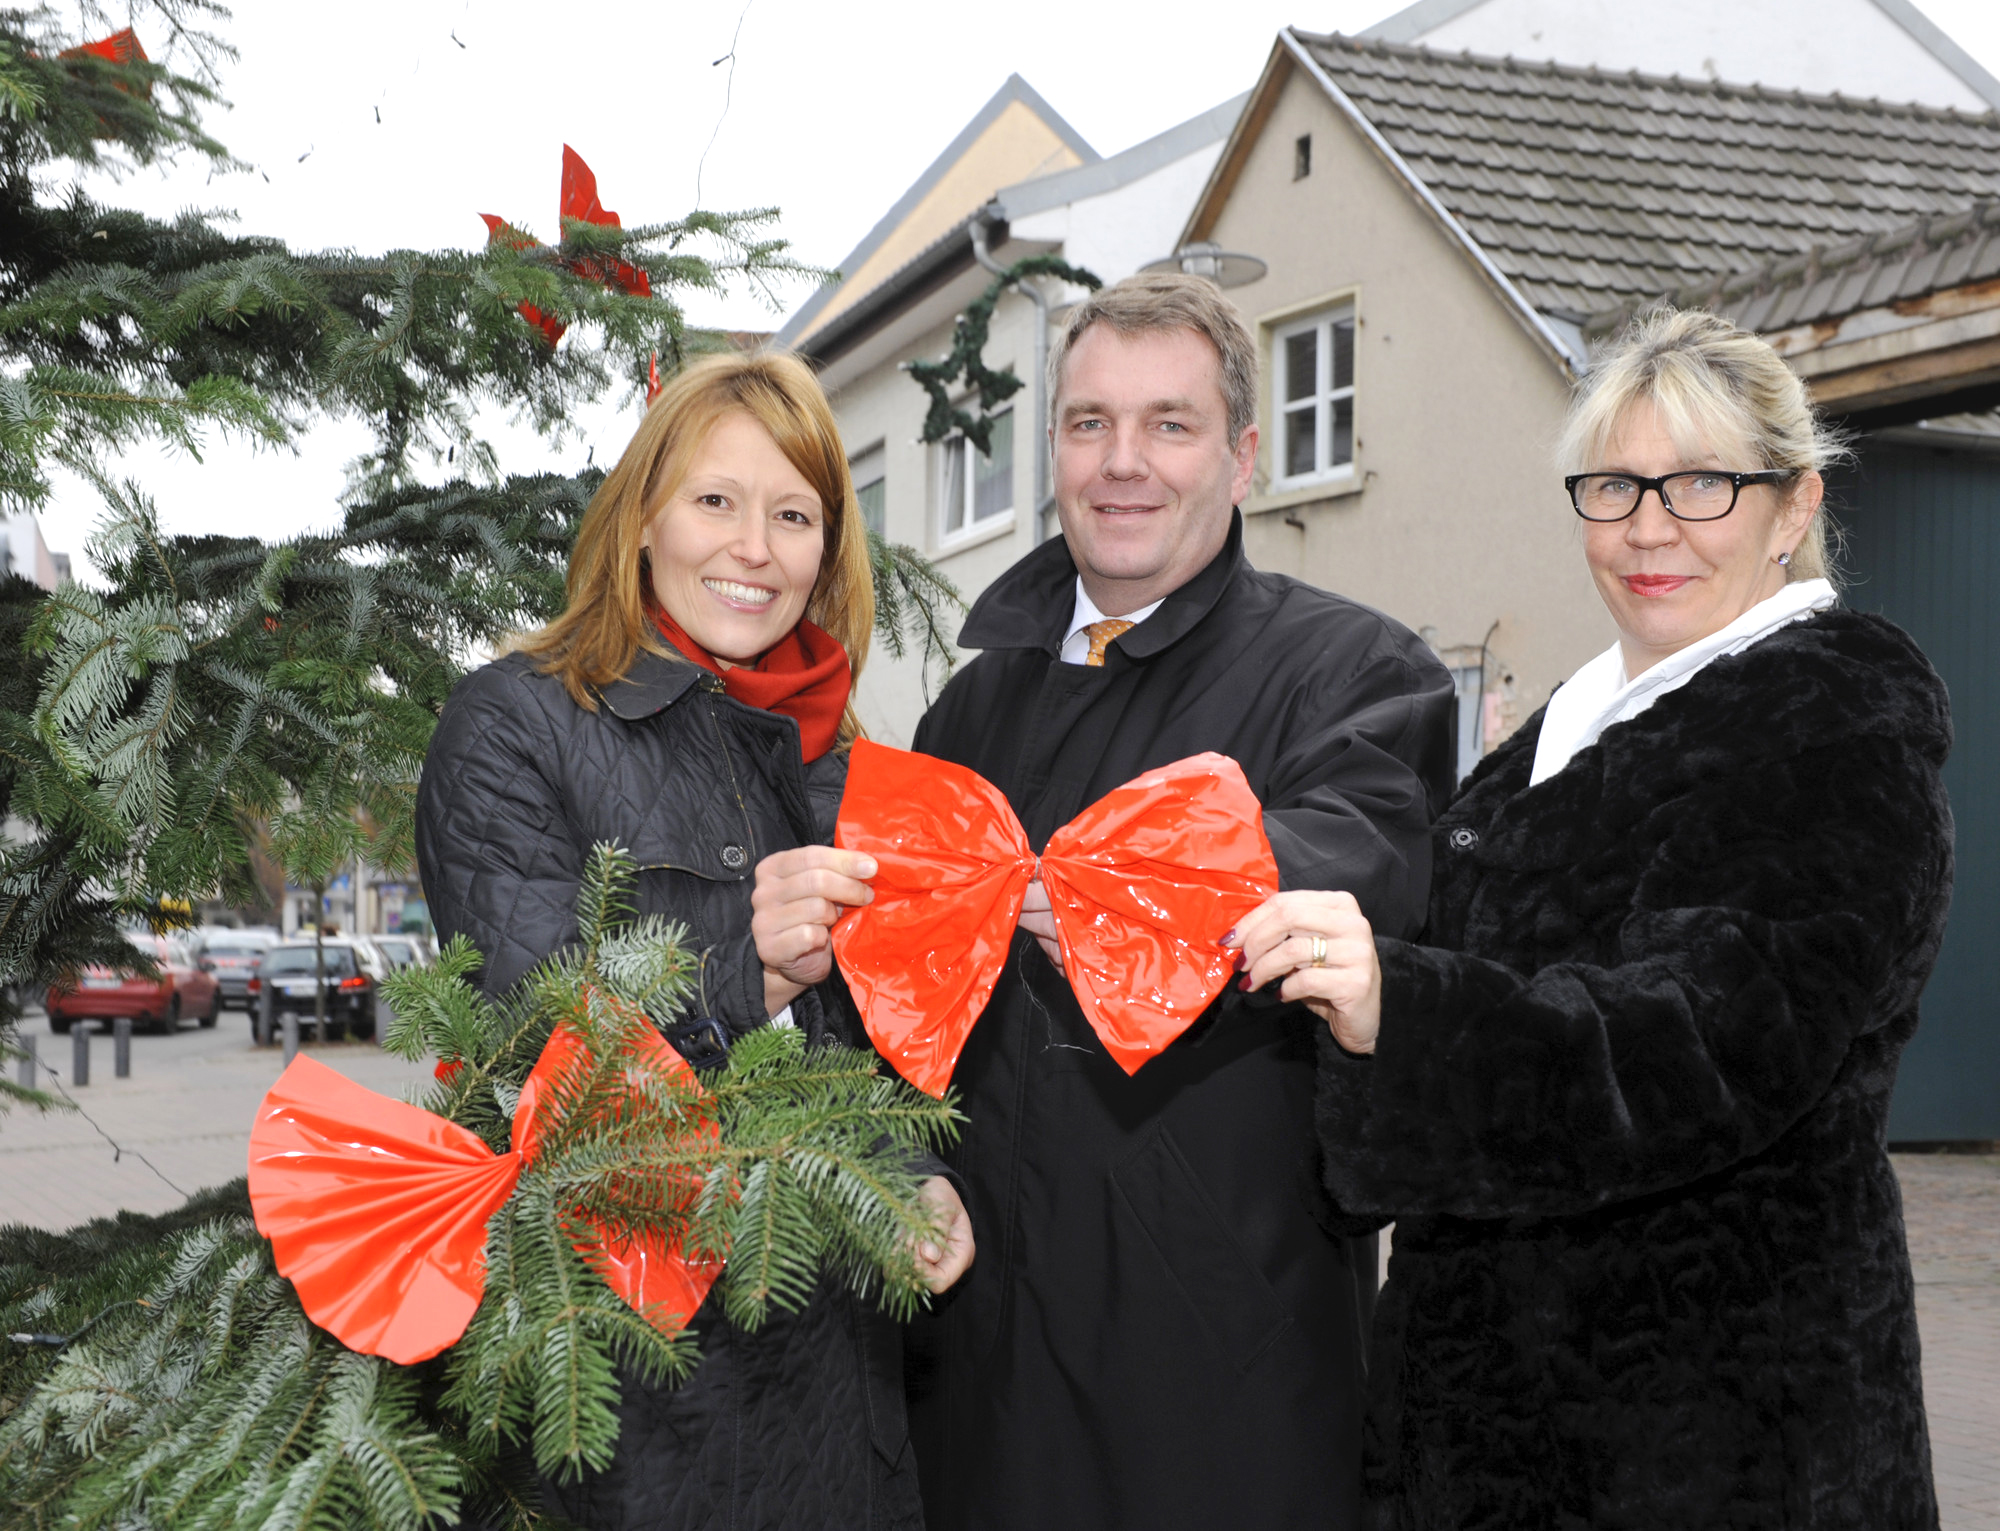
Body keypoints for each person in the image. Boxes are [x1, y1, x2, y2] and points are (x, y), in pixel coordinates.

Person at [1230, 307, 1952, 1529]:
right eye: (1612, 485)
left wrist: (1398, 1005)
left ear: (1791, 507)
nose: (1646, 526)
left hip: (1708, 1424)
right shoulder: (1579, 718)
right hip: (1494, 1411)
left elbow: (1696, 1042)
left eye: (1701, 484)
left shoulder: (1833, 723)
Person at [765, 271, 1454, 1529]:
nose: (1121, 462)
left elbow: (1364, 868)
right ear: (1051, 449)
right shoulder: (971, 709)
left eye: (1167, 424)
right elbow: (884, 1009)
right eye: (1088, 423)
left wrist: (1127, 887)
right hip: (970, 1357)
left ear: (1243, 455)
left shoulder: (1356, 673)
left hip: (1216, 1379)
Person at [416, 351, 974, 1531]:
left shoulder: (837, 758)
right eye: (714, 500)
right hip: (624, 1395)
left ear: (828, 549)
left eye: (792, 514)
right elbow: (528, 1022)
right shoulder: (518, 721)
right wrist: (738, 963)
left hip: (838, 1390)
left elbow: (868, 1056)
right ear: (641, 520)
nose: (752, 548)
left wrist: (916, 1180)